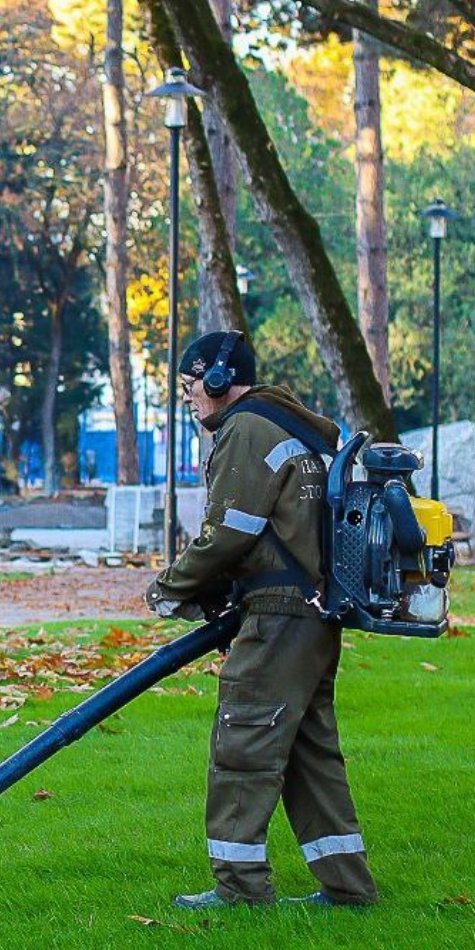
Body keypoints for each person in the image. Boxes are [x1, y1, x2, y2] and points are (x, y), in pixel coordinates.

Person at [144, 331, 378, 910]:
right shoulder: (300, 426)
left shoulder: (246, 428)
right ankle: (348, 889)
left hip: (279, 619)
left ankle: (241, 890)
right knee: (308, 752)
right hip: (316, 617)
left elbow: (230, 532)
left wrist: (168, 589)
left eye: (191, 383)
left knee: (244, 746)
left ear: (219, 379)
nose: (189, 396)